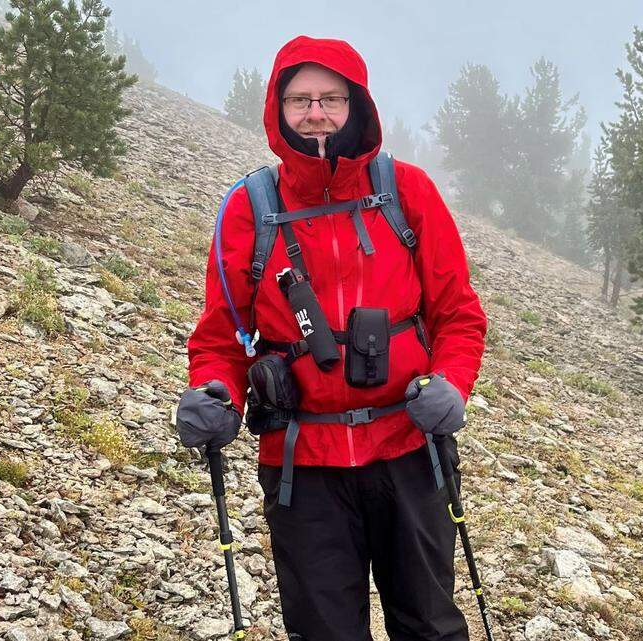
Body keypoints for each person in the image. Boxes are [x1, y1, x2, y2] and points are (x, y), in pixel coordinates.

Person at [176, 35, 486, 641]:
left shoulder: (408, 192)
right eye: (299, 99)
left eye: (330, 98)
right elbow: (222, 336)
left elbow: (458, 314)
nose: (315, 112)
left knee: (430, 626)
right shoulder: (250, 206)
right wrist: (213, 393)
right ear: (277, 108)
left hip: (407, 449)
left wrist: (452, 384)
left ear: (357, 105)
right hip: (303, 464)